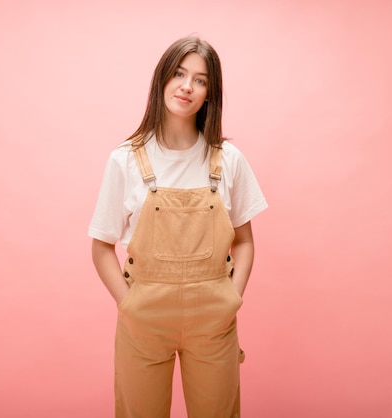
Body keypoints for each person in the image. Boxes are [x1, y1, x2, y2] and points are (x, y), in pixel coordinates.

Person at [88, 36, 268, 418]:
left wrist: (232, 299)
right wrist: (129, 304)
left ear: (210, 95)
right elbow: (101, 246)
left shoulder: (228, 159)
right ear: (162, 79)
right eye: (179, 73)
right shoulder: (124, 159)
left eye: (201, 80)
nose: (188, 86)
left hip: (213, 318)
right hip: (144, 318)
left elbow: (245, 242)